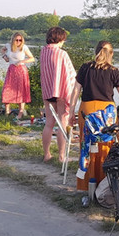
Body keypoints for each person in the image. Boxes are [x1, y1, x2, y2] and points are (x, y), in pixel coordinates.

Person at [69, 41, 119, 190]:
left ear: (95, 51)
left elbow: (75, 92)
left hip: (87, 110)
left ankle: (87, 184)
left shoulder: (85, 68)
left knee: (87, 145)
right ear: (111, 54)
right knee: (106, 146)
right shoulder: (114, 71)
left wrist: (72, 111)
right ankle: (106, 184)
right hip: (106, 112)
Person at [40, 27, 76, 163]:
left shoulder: (43, 51)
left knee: (49, 123)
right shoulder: (62, 54)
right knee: (62, 122)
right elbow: (70, 74)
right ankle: (62, 156)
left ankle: (47, 154)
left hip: (48, 91)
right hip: (61, 91)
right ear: (60, 38)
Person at [1, 32, 35, 118]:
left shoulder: (24, 47)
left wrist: (22, 61)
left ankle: (21, 111)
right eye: (17, 40)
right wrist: (4, 56)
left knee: (21, 90)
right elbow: (2, 50)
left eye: (20, 40)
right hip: (11, 70)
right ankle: (7, 111)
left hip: (21, 70)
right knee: (7, 89)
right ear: (13, 40)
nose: (19, 42)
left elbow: (32, 58)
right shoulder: (8, 46)